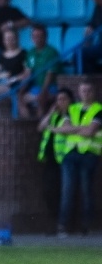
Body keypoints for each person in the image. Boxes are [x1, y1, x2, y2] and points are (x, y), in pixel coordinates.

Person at [53, 80, 102, 238]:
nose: (86, 93)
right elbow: (63, 129)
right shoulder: (72, 108)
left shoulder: (98, 109)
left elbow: (90, 132)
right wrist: (82, 128)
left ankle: (87, 227)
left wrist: (73, 129)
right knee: (67, 191)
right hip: (70, 154)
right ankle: (64, 226)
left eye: (88, 90)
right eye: (83, 91)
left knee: (87, 190)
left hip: (89, 154)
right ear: (79, 93)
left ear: (93, 92)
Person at [37, 88, 74, 231]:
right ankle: (53, 220)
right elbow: (40, 127)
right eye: (58, 99)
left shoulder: (70, 115)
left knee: (61, 192)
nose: (61, 102)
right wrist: (51, 112)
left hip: (63, 160)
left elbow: (66, 128)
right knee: (48, 191)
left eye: (64, 99)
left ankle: (62, 224)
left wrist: (52, 128)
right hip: (50, 160)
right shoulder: (54, 116)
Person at [20, 23, 63, 118]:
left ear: (46, 37)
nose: (37, 39)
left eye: (40, 36)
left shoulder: (52, 52)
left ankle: (40, 128)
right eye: (35, 36)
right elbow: (28, 73)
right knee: (19, 99)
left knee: (41, 99)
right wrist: (21, 90)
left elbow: (50, 75)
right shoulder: (30, 52)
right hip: (35, 88)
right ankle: (30, 124)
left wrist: (43, 91)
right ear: (31, 38)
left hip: (51, 87)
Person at [0, 28, 28, 118]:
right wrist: (4, 75)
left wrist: (14, 78)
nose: (10, 41)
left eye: (12, 38)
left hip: (18, 86)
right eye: (7, 39)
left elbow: (26, 73)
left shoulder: (23, 53)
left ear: (16, 39)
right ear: (4, 41)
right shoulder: (2, 56)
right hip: (7, 85)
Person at [80, 0, 102, 74]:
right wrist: (87, 36)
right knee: (80, 54)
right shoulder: (97, 7)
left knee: (83, 54)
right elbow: (91, 26)